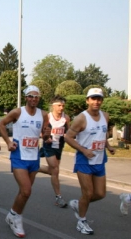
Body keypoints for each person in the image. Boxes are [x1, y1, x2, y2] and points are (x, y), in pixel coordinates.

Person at [0, 85, 50, 238]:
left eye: (36, 96)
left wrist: (47, 136)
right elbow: (1, 124)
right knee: (27, 190)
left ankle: (12, 214)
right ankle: (17, 219)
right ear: (26, 97)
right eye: (30, 96)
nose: (33, 99)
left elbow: (45, 136)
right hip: (19, 155)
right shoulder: (18, 112)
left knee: (24, 192)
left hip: (34, 157)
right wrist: (8, 141)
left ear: (39, 98)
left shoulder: (44, 114)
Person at [65, 88, 115, 235]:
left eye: (99, 99)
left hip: (99, 159)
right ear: (87, 100)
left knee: (100, 194)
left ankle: (79, 204)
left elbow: (103, 133)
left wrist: (109, 146)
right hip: (84, 160)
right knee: (88, 193)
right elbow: (68, 137)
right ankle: (81, 221)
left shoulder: (105, 116)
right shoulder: (81, 118)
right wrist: (83, 150)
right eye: (93, 98)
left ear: (102, 101)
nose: (96, 101)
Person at [38, 95, 70, 208]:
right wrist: (46, 137)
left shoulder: (66, 118)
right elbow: (41, 132)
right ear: (53, 106)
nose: (61, 108)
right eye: (59, 105)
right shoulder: (47, 117)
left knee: (53, 171)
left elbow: (68, 131)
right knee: (55, 170)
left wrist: (67, 136)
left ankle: (35, 167)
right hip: (48, 146)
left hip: (59, 147)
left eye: (63, 106)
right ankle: (58, 197)